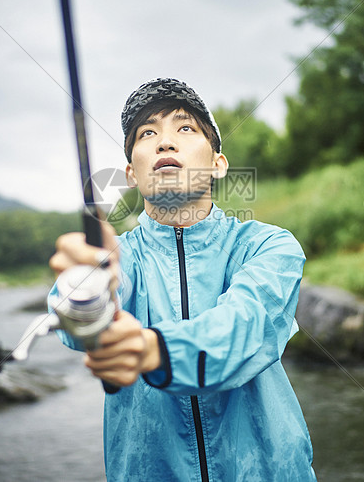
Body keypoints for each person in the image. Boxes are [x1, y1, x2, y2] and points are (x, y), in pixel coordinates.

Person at [48, 78, 316, 481]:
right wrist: (85, 288)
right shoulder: (120, 259)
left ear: (218, 164)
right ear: (130, 174)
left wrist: (152, 351)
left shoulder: (269, 246)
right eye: (147, 132)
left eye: (185, 128)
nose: (165, 142)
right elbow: (77, 325)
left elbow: (248, 325)